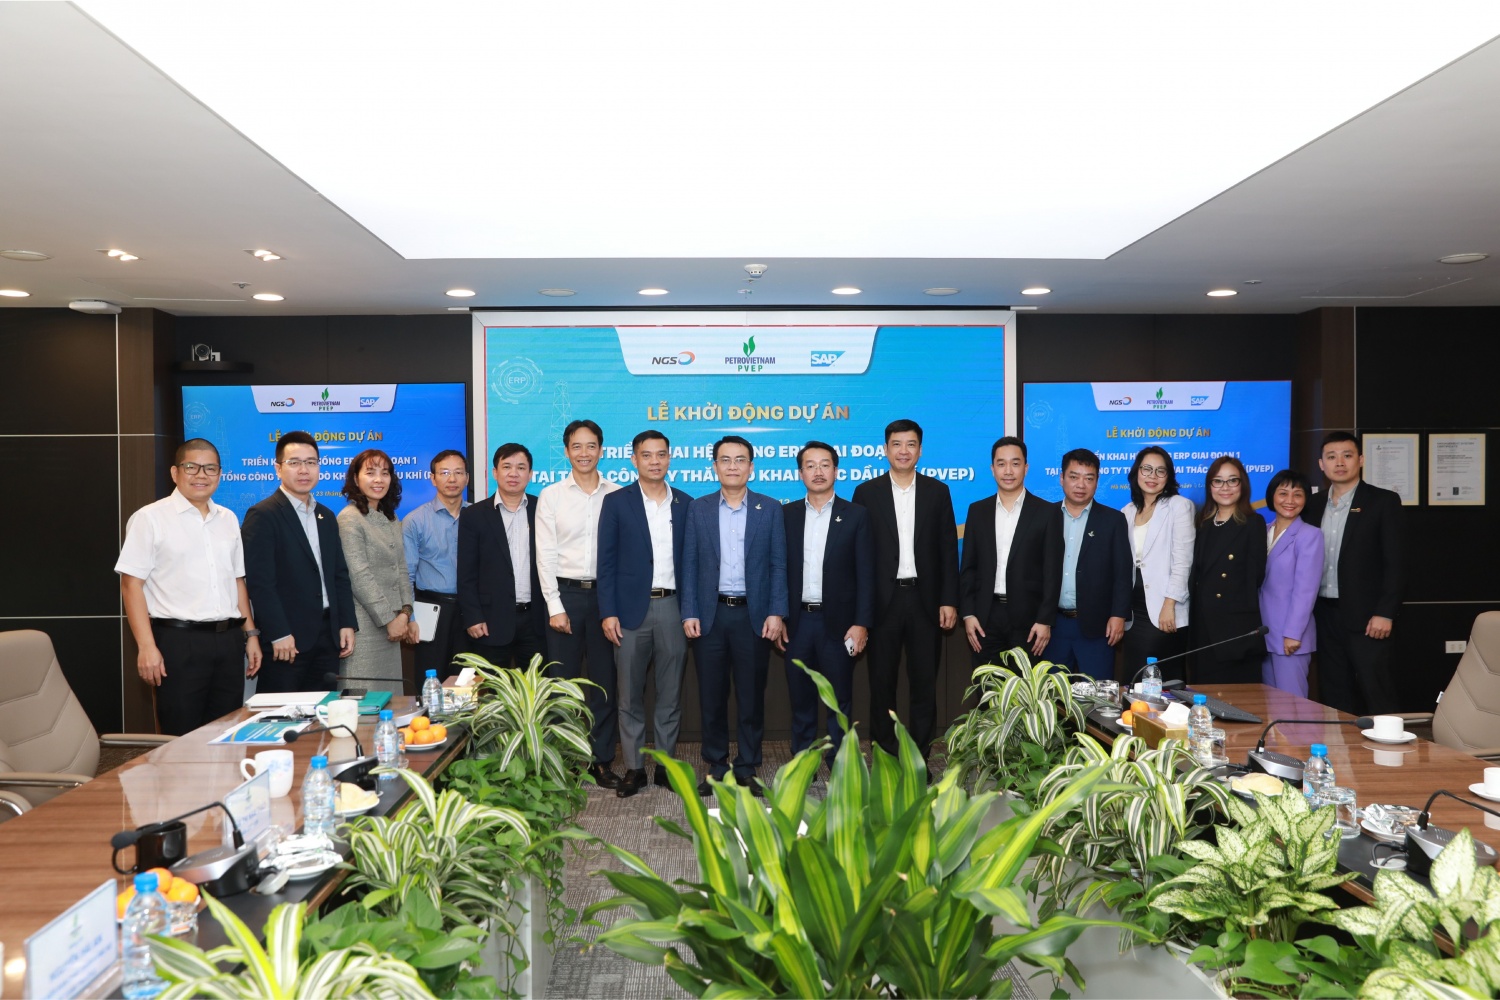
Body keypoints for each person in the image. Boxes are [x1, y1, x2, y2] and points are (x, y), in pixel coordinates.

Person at [116, 439, 262, 735]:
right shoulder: (150, 518)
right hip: (178, 643)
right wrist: (146, 647)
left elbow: (237, 581)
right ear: (175, 472)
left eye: (210, 468)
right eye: (191, 467)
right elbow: (131, 585)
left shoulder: (228, 518)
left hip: (228, 641)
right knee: (180, 736)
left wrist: (251, 635)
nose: (201, 475)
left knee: (225, 732)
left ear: (220, 474)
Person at [681, 435, 788, 796]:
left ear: (751, 467)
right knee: (711, 696)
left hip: (752, 617)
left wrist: (776, 611)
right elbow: (689, 563)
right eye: (725, 460)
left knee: (751, 696)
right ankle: (715, 766)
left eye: (740, 460)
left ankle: (747, 766)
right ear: (714, 467)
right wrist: (689, 611)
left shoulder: (769, 508)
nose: (732, 466)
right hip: (710, 615)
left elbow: (778, 564)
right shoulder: (699, 508)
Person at [851, 419, 959, 759]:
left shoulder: (937, 491)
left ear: (920, 450)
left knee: (924, 684)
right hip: (883, 602)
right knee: (882, 683)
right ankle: (885, 755)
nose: (903, 451)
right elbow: (859, 556)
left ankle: (918, 757)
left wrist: (949, 600)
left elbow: (947, 550)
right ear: (885, 450)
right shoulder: (866, 493)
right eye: (896, 444)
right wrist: (862, 610)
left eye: (910, 444)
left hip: (925, 601)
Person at [597, 430, 693, 797]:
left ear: (670, 458)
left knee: (670, 694)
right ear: (634, 459)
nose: (655, 461)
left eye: (661, 454)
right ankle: (635, 768)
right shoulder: (616, 502)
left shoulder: (685, 503)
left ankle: (666, 767)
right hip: (628, 612)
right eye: (647, 455)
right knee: (629, 696)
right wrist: (608, 612)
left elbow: (693, 563)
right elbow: (606, 562)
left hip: (673, 608)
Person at [535, 419, 622, 790]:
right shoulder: (551, 496)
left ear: (601, 450)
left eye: (591, 446)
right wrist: (554, 605)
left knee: (604, 684)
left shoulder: (618, 494)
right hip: (565, 596)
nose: (584, 453)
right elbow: (545, 554)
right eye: (576, 446)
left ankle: (601, 761)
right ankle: (566, 761)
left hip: (606, 598)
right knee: (562, 685)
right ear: (566, 451)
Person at [779, 441, 874, 765]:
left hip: (840, 624)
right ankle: (803, 763)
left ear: (836, 471)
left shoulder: (856, 515)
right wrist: (779, 616)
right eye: (810, 465)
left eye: (824, 465)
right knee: (800, 698)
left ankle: (840, 764)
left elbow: (866, 573)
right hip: (798, 622)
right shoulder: (786, 515)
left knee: (839, 699)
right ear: (800, 473)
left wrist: (861, 623)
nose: (817, 471)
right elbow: (777, 569)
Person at [241, 431, 357, 693]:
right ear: (278, 468)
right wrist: (278, 633)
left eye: (311, 462)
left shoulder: (326, 516)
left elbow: (339, 574)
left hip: (328, 638)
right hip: (287, 641)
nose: (304, 470)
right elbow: (260, 583)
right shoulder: (263, 515)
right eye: (294, 462)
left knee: (323, 711)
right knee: (282, 713)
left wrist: (346, 622)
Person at [1301, 431, 1405, 714]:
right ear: (1321, 464)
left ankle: (1387, 742)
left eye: (1347, 455)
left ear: (1360, 460)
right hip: (1324, 614)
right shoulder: (1313, 505)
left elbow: (1396, 563)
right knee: (1334, 692)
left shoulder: (1383, 502)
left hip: (1368, 617)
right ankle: (1340, 743)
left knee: (1377, 690)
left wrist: (1385, 612)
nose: (1340, 463)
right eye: (1331, 457)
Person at [959, 436, 1062, 668]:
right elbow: (968, 567)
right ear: (992, 469)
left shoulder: (1047, 512)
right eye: (1001, 463)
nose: (1008, 471)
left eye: (1015, 463)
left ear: (1026, 467)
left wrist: (1045, 619)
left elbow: (1052, 571)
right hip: (985, 617)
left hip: (1029, 622)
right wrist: (968, 614)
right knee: (986, 686)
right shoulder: (977, 511)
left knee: (1025, 687)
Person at [456, 443, 547, 672]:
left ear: (530, 474)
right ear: (495, 472)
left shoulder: (543, 509)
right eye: (507, 467)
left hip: (536, 621)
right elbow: (466, 573)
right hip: (490, 621)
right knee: (491, 689)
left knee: (536, 689)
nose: (513, 473)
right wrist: (473, 617)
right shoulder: (474, 515)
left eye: (521, 468)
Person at [1042, 448, 1131, 681]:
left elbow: (1123, 573)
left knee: (1096, 696)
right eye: (1074, 476)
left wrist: (1118, 615)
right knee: (1052, 695)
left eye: (1089, 478)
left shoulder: (1113, 520)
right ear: (1061, 478)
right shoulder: (1044, 516)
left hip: (1097, 627)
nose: (1081, 485)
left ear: (1097, 481)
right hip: (1052, 626)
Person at [336, 449, 415, 697]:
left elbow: (401, 568)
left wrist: (405, 613)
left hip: (394, 627)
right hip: (365, 629)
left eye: (385, 473)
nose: (379, 479)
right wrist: (389, 620)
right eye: (370, 473)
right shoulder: (350, 518)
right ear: (356, 478)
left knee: (390, 701)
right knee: (364, 701)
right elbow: (359, 576)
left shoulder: (389, 517)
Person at [1120, 446, 1196, 683]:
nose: (1152, 476)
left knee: (1159, 682)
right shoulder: (1127, 511)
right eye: (1147, 469)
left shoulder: (1179, 506)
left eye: (1160, 471)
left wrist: (1169, 603)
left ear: (1168, 476)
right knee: (1133, 679)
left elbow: (1183, 560)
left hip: (1164, 609)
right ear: (1137, 472)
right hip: (1133, 611)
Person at [1189, 456, 1267, 684]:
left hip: (1234, 629)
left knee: (1235, 696)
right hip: (1202, 626)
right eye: (1218, 481)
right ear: (1210, 486)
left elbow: (1256, 577)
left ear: (1243, 485)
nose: (1225, 487)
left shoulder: (1253, 522)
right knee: (1202, 695)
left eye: (1232, 480)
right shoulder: (1202, 522)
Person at [402, 450, 470, 683]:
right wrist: (410, 618)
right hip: (430, 609)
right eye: (445, 472)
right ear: (433, 478)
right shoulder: (415, 521)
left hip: (469, 611)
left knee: (465, 682)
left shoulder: (477, 516)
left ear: (467, 478)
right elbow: (407, 575)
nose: (452, 479)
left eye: (458, 472)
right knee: (430, 681)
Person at [1259, 469, 1323, 697]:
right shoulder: (1264, 531)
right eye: (1283, 493)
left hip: (1289, 637)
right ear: (1272, 496)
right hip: (1264, 634)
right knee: (1270, 704)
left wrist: (1293, 633)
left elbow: (1306, 590)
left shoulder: (1310, 535)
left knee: (1292, 705)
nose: (1290, 500)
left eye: (1298, 495)